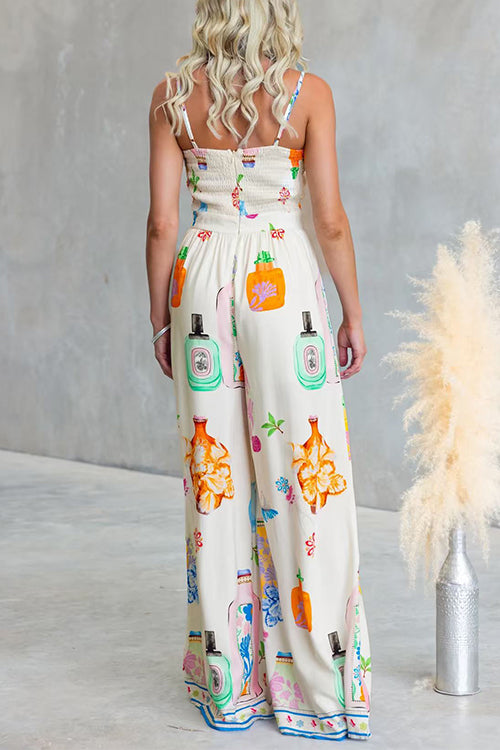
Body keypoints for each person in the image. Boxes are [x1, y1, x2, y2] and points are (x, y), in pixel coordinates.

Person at [146, 0, 371, 740]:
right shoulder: (309, 94)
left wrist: (161, 320)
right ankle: (319, 686)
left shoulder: (172, 97)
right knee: (304, 475)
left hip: (203, 279)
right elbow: (329, 219)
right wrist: (352, 312)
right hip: (281, 278)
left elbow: (162, 222)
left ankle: (229, 685)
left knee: (215, 479)